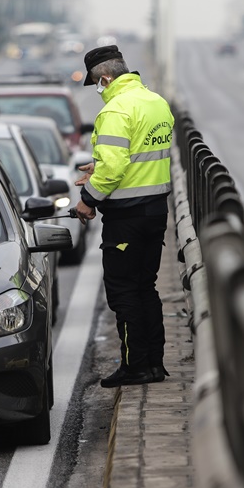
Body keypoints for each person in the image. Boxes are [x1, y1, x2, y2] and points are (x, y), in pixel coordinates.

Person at [74, 45, 174, 388]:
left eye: (96, 84)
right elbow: (138, 156)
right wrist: (99, 166)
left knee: (123, 293)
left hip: (126, 218)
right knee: (147, 288)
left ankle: (134, 366)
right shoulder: (155, 102)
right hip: (156, 211)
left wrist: (88, 198)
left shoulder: (116, 109)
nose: (98, 92)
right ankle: (155, 365)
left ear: (105, 78)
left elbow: (116, 166)